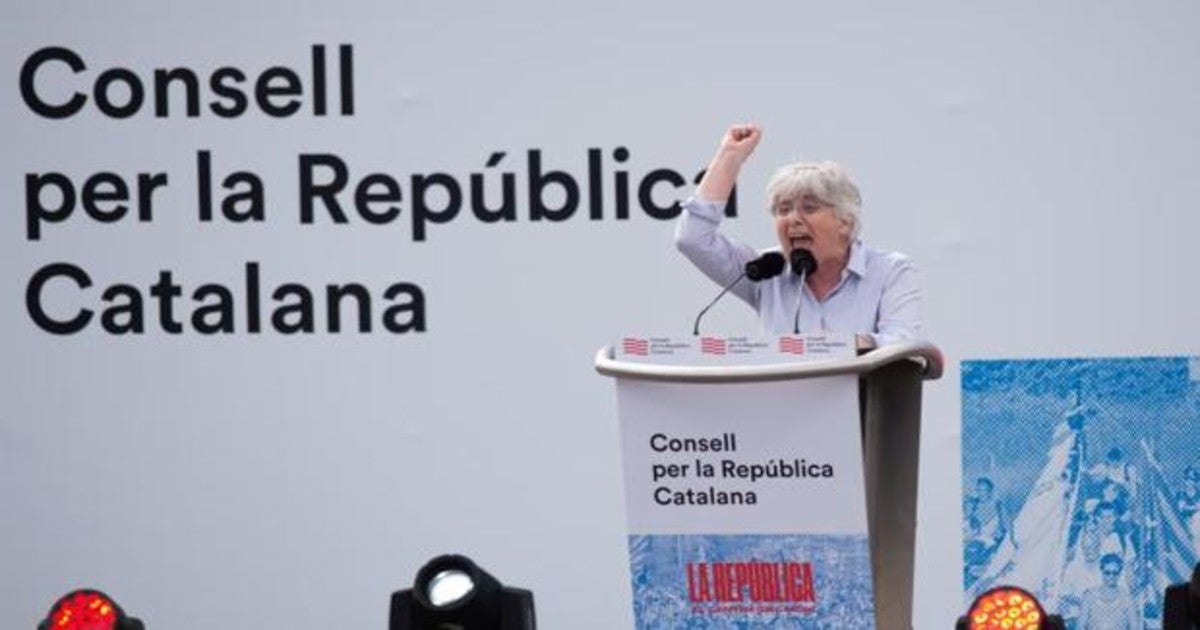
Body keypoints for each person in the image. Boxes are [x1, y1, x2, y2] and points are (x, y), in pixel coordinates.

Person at [674, 124, 920, 347]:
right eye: (783, 210)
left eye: (809, 208)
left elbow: (902, 344)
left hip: (862, 385)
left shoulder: (890, 270)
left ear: (845, 222)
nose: (793, 219)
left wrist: (839, 346)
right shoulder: (765, 270)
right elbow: (692, 239)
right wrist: (730, 156)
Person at [1078, 553, 1140, 630]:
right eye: (1107, 573)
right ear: (1102, 572)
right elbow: (1080, 627)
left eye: (1115, 573)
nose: (1111, 576)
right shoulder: (1089, 597)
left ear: (1120, 574)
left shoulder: (1128, 600)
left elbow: (1134, 627)